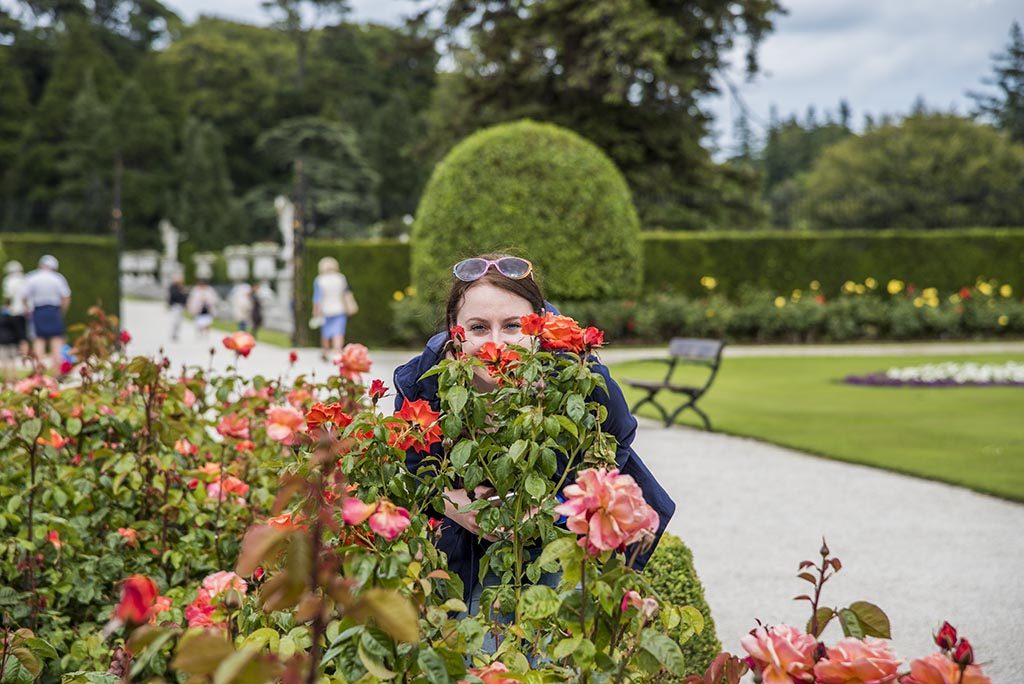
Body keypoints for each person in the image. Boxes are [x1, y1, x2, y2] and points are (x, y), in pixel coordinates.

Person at [392, 254, 675, 611]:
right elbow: (413, 463)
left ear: (537, 325)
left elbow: (615, 439)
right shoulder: (424, 383)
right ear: (455, 331)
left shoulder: (575, 373)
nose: (496, 342)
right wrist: (455, 506)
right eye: (478, 328)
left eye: (513, 326)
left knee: (546, 637)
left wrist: (555, 506)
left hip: (557, 536)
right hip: (464, 544)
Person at [21, 255, 72, 371]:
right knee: (56, 340)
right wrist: (61, 311)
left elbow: (24, 296)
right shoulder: (58, 278)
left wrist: (27, 310)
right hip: (54, 310)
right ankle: (57, 371)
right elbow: (66, 297)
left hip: (38, 310)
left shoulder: (32, 277)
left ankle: (38, 371)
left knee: (39, 340)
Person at [312, 256, 349, 362]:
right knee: (338, 333)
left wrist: (315, 311)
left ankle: (325, 351)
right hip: (339, 309)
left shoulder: (319, 280)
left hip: (325, 310)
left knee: (326, 333)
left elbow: (317, 298)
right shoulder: (341, 278)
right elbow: (345, 294)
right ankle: (337, 352)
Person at [1, 261, 29, 360]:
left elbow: (8, 297)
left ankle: (16, 356)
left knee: (12, 335)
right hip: (24, 312)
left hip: (13, 312)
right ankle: (24, 356)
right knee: (23, 335)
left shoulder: (8, 280)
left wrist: (6, 307)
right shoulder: (25, 279)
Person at [167, 273, 188, 342]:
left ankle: (176, 334)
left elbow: (185, 297)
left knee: (179, 321)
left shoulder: (182, 287)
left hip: (181, 306)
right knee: (175, 321)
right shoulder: (173, 287)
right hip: (175, 306)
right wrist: (181, 292)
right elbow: (173, 295)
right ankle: (173, 334)